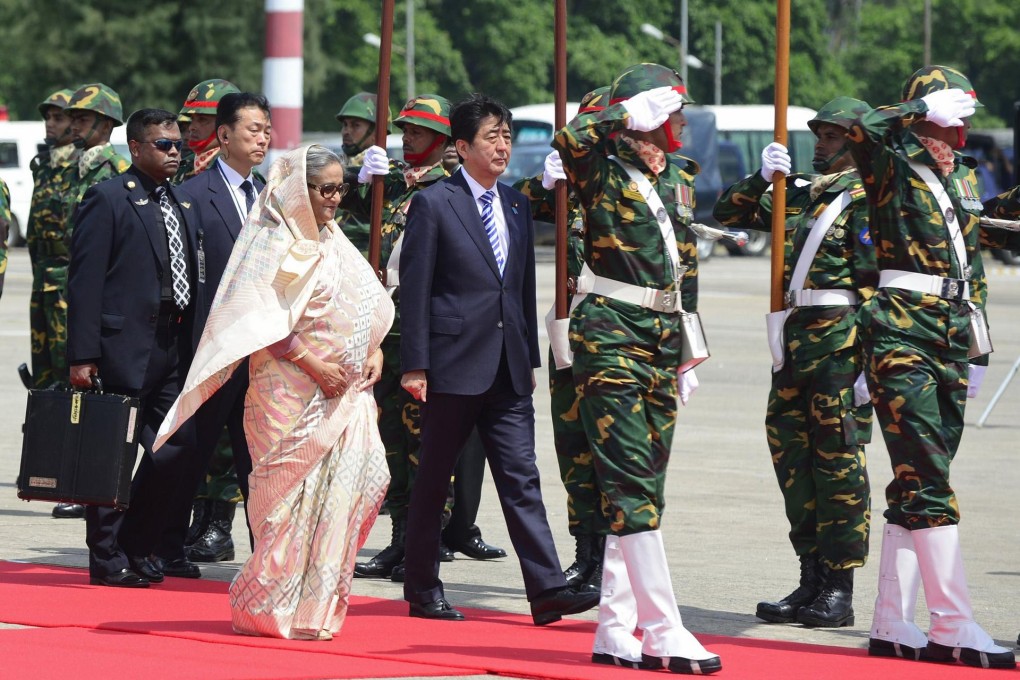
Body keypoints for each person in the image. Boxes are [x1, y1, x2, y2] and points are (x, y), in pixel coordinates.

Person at [155, 144, 393, 641]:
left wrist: (374, 351)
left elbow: (364, 304)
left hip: (343, 395)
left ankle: (313, 609)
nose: (334, 199)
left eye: (339, 189)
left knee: (346, 493)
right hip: (286, 391)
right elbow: (258, 321)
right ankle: (266, 607)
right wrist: (315, 364)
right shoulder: (270, 239)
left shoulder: (335, 239)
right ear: (299, 190)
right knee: (284, 503)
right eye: (325, 189)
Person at [399, 93, 599, 624]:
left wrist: (528, 357)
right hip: (450, 364)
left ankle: (547, 589)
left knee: (521, 478)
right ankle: (422, 587)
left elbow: (520, 288)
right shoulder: (434, 203)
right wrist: (415, 363)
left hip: (507, 367)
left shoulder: (514, 203)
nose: (503, 145)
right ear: (462, 147)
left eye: (507, 136)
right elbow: (415, 290)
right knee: (434, 480)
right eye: (492, 136)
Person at [552, 63, 720, 673]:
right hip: (611, 336)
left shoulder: (676, 175)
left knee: (643, 489)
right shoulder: (598, 166)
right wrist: (623, 113)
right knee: (631, 486)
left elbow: (684, 266)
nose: (681, 121)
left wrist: (687, 344)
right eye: (671, 110)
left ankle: (614, 628)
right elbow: (568, 139)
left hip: (661, 338)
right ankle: (663, 630)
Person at [847, 65, 1015, 669]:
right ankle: (953, 624)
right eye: (954, 110)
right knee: (929, 479)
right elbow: (860, 125)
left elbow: (985, 231)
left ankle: (892, 620)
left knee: (916, 480)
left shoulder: (961, 174)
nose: (964, 122)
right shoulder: (889, 162)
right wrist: (915, 111)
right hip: (901, 332)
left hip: (951, 335)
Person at [714, 97, 876, 629]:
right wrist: (762, 178)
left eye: (831, 137)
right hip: (796, 344)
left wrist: (868, 363)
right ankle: (811, 576)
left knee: (838, 466)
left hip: (840, 346)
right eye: (818, 136)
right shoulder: (802, 194)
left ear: (856, 143)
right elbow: (728, 213)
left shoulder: (868, 198)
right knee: (794, 463)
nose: (819, 145)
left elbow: (875, 287)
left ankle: (839, 587)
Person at [349, 94, 505, 581]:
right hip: (384, 326)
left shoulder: (452, 190)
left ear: (442, 140)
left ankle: (428, 540)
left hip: (426, 328)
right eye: (404, 130)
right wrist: (361, 180)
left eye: (417, 131)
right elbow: (339, 205)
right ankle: (401, 537)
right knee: (392, 442)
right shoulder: (392, 182)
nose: (406, 138)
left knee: (427, 444)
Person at [66, 108, 200, 588]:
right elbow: (84, 282)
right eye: (163, 145)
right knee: (113, 455)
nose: (174, 152)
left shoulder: (181, 201)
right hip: (121, 347)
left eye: (178, 144)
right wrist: (82, 355)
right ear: (137, 148)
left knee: (175, 448)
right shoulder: (107, 198)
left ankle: (137, 544)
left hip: (172, 344)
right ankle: (106, 558)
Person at [166, 92, 271, 569]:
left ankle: (267, 558)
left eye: (267, 130)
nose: (262, 139)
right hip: (211, 347)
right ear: (224, 135)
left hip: (261, 352)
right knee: (192, 454)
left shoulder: (268, 194)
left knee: (260, 463)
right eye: (253, 130)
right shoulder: (192, 194)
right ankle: (166, 546)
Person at [514, 86, 610, 594]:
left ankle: (614, 561)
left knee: (609, 453)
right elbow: (510, 206)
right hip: (569, 330)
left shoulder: (622, 185)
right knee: (574, 450)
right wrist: (544, 183)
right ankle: (586, 555)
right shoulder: (569, 185)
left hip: (614, 338)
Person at [55, 82, 130, 520]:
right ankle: (77, 484)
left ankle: (98, 491)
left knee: (100, 397)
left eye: (82, 118)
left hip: (105, 297)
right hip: (74, 290)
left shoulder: (119, 169)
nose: (74, 125)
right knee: (71, 392)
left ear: (105, 124)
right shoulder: (74, 167)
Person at [27, 88, 78, 391]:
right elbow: (34, 231)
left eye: (58, 118)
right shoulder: (43, 166)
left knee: (66, 362)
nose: (50, 123)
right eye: (48, 117)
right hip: (42, 277)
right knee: (42, 363)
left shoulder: (84, 167)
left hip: (68, 279)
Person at [335, 92, 388, 256]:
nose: (346, 131)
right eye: (345, 125)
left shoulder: (382, 172)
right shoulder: (341, 165)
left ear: (376, 132)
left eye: (355, 125)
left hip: (363, 257)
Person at [174, 79, 241, 183]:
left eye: (202, 119)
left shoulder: (237, 172)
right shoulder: (183, 167)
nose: (191, 127)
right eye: (192, 119)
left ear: (228, 125)